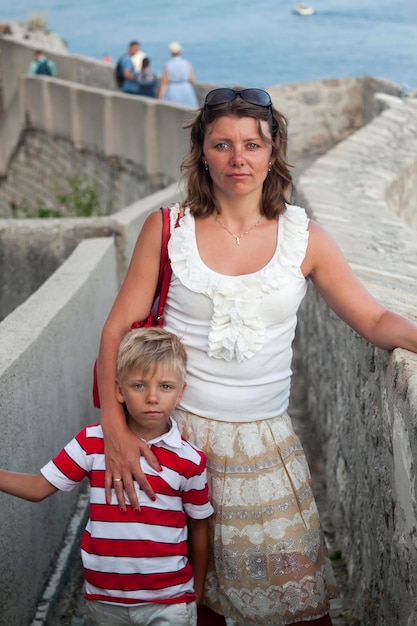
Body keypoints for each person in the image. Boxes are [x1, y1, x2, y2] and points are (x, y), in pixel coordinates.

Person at [96, 87, 417, 626]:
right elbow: (115, 331)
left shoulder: (303, 238)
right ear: (202, 152)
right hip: (173, 440)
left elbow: (374, 319)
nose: (237, 158)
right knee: (191, 601)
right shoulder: (167, 229)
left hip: (263, 444)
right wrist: (116, 431)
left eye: (252, 144)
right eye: (222, 144)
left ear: (273, 151)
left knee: (300, 604)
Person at [0, 327, 213, 626]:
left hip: (169, 600)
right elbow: (38, 487)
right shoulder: (91, 443)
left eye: (165, 386)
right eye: (139, 385)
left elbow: (199, 527)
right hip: (103, 602)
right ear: (117, 390)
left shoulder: (190, 460)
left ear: (181, 392)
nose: (152, 397)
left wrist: (198, 589)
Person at [158, 41, 198, 107]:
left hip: (172, 90)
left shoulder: (168, 65)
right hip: (186, 89)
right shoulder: (187, 63)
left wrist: (160, 98)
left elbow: (164, 82)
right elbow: (192, 79)